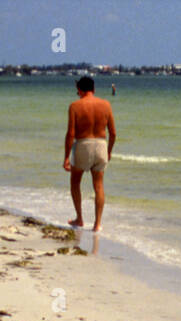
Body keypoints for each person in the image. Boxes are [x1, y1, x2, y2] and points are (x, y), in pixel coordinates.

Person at [62, 75, 116, 232]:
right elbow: (113, 133)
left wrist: (66, 157)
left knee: (75, 182)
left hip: (82, 145)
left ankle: (79, 218)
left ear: (79, 89)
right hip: (101, 145)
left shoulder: (74, 106)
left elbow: (71, 134)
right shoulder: (106, 104)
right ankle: (97, 224)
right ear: (93, 89)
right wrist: (109, 151)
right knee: (98, 186)